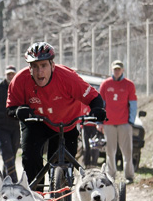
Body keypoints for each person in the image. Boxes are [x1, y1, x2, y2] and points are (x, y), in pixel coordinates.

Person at [6, 42, 105, 185]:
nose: (39, 72)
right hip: (36, 121)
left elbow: (94, 97)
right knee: (30, 158)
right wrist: (18, 112)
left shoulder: (67, 78)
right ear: (30, 68)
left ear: (52, 65)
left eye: (43, 65)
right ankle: (36, 197)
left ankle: (61, 195)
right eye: (35, 66)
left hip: (66, 123)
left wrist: (97, 110)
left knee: (63, 161)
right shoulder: (20, 80)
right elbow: (11, 108)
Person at [98, 60, 138, 183]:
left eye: (119, 69)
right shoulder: (105, 84)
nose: (117, 71)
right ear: (111, 70)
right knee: (110, 151)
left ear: (123, 70)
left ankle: (129, 176)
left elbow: (133, 104)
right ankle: (110, 175)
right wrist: (99, 122)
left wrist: (130, 121)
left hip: (124, 123)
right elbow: (100, 104)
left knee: (127, 151)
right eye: (115, 69)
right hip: (109, 123)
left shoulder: (129, 85)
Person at [0, 65, 20, 181]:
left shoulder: (19, 87)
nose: (10, 76)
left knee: (12, 155)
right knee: (7, 153)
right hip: (1, 127)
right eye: (8, 74)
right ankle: (14, 180)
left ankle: (4, 179)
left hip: (16, 126)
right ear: (5, 75)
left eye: (12, 74)